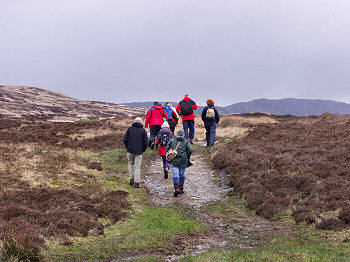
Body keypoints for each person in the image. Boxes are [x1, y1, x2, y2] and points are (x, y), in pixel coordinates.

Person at [166, 129, 193, 197]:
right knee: (182, 174)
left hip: (174, 160)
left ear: (177, 134)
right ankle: (181, 188)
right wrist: (187, 156)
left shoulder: (172, 140)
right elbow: (190, 150)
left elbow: (167, 149)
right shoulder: (186, 141)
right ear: (183, 134)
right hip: (183, 160)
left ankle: (176, 188)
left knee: (175, 174)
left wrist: (169, 155)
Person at [123, 117, 148, 188]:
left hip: (130, 150)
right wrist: (143, 149)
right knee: (138, 166)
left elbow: (125, 139)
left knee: (131, 163)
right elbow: (146, 142)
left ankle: (132, 179)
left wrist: (127, 147)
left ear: (134, 122)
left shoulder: (129, 129)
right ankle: (137, 182)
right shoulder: (143, 131)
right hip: (139, 151)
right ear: (141, 122)